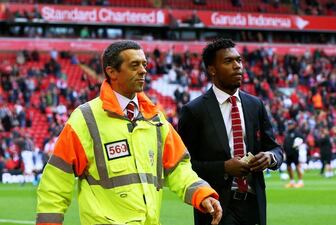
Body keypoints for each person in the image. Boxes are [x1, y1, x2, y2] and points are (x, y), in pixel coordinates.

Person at [36, 40, 222, 225]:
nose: (143, 70)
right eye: (134, 65)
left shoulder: (156, 119)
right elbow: (56, 180)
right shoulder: (85, 119)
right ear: (112, 72)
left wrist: (202, 193)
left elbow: (179, 169)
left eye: (144, 64)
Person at [178, 38, 283, 225]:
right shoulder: (194, 111)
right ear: (212, 70)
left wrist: (270, 157)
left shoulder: (255, 105)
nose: (237, 66)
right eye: (229, 61)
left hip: (252, 205)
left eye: (239, 60)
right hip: (215, 206)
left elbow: (276, 149)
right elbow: (185, 166)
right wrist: (224, 168)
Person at [283, 119, 304, 188]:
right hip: (288, 153)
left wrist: (298, 144)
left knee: (297, 166)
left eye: (290, 124)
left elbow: (301, 139)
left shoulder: (296, 132)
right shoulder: (287, 133)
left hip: (294, 152)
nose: (289, 126)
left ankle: (300, 182)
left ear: (293, 125)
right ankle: (292, 182)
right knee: (288, 167)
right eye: (288, 125)